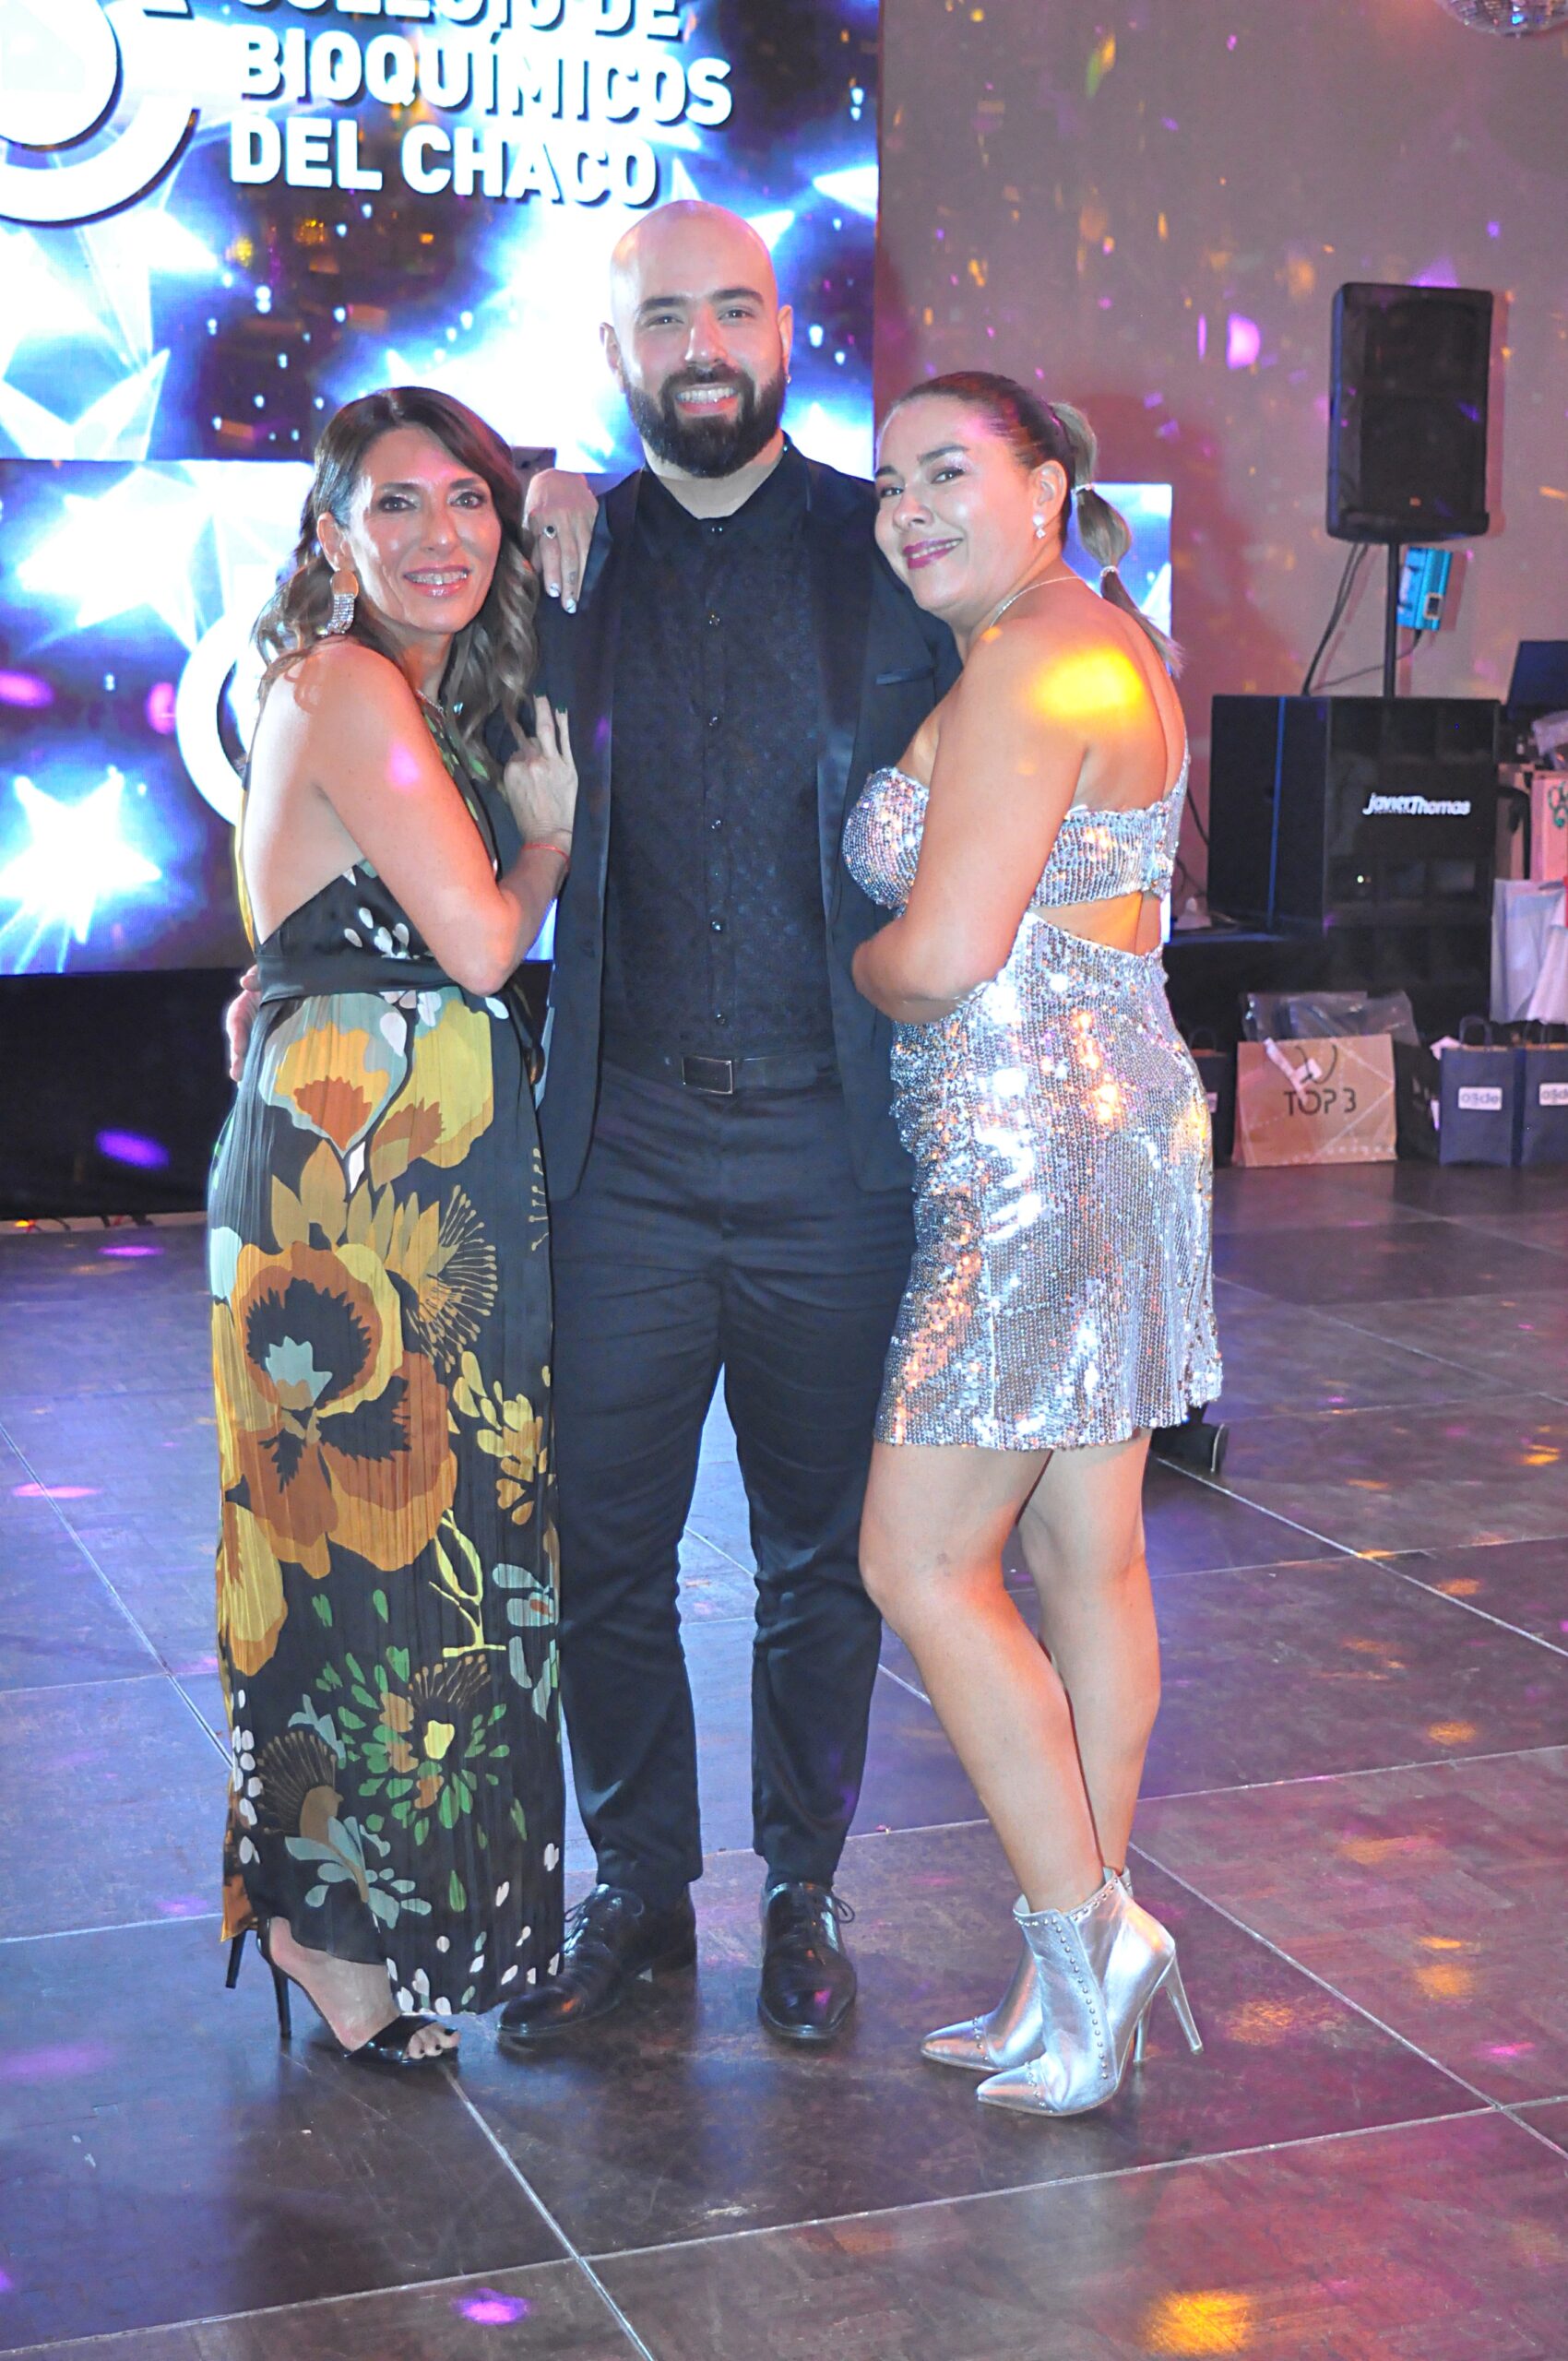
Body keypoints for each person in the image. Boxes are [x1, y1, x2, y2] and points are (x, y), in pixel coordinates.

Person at [495, 201, 959, 2052]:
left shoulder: (885, 549)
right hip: (615, 1145)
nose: (704, 344)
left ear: (784, 331)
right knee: (598, 1551)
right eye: (666, 316)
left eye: (735, 310)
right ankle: (637, 1889)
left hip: (835, 1149)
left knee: (817, 1558)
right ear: (617, 351)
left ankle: (802, 1888)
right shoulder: (559, 561)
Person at [844, 371, 1220, 2117]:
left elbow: (941, 954)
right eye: (888, 483)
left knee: (919, 1564)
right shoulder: (1096, 640)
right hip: (1111, 1127)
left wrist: (860, 966)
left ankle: (1088, 1943)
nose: (908, 508)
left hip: (1033, 1158)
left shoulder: (1029, 657)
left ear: (1046, 484)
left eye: (947, 471)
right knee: (1089, 1558)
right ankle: (1071, 1975)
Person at [211, 386, 576, 2068]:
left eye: (471, 502)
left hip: (400, 1164)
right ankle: (323, 1922)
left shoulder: (397, 693)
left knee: (404, 1562)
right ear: (331, 534)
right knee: (360, 1561)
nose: (443, 535)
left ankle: (352, 1916)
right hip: (355, 1187)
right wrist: (548, 838)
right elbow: (484, 946)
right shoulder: (348, 682)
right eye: (399, 504)